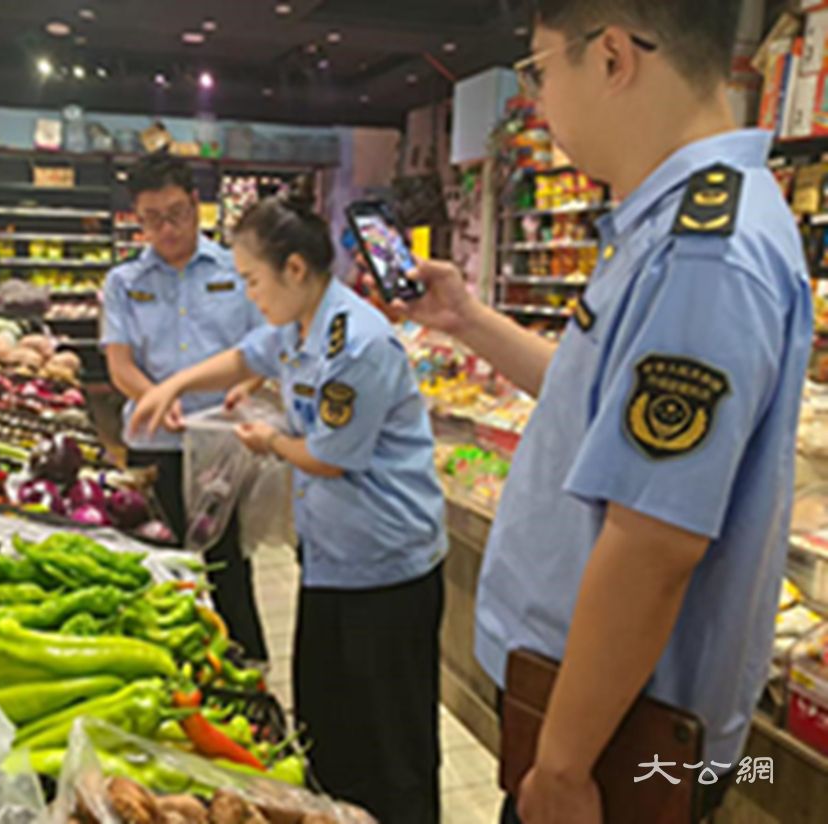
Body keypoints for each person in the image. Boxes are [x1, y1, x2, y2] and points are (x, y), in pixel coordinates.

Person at [373, 2, 812, 823]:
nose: (538, 99)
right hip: (595, 720)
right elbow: (602, 400)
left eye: (539, 70)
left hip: (617, 747)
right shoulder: (668, 226)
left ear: (611, 57)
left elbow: (654, 543)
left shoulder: (705, 252)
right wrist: (470, 321)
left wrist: (565, 765)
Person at [130, 196, 447, 824]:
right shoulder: (298, 323)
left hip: (388, 570)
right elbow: (248, 356)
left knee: (394, 743)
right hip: (332, 560)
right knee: (329, 723)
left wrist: (268, 441)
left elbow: (331, 456)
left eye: (252, 280)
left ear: (295, 269)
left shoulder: (355, 343)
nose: (249, 294)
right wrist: (172, 384)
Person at [101, 152, 268, 662]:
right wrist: (154, 396)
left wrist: (251, 383)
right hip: (155, 444)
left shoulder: (238, 271)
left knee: (227, 566)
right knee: (158, 564)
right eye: (151, 219)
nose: (166, 229)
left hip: (222, 444)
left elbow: (267, 343)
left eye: (175, 214)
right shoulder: (123, 283)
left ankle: (246, 672)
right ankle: (172, 672)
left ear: (198, 205)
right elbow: (120, 364)